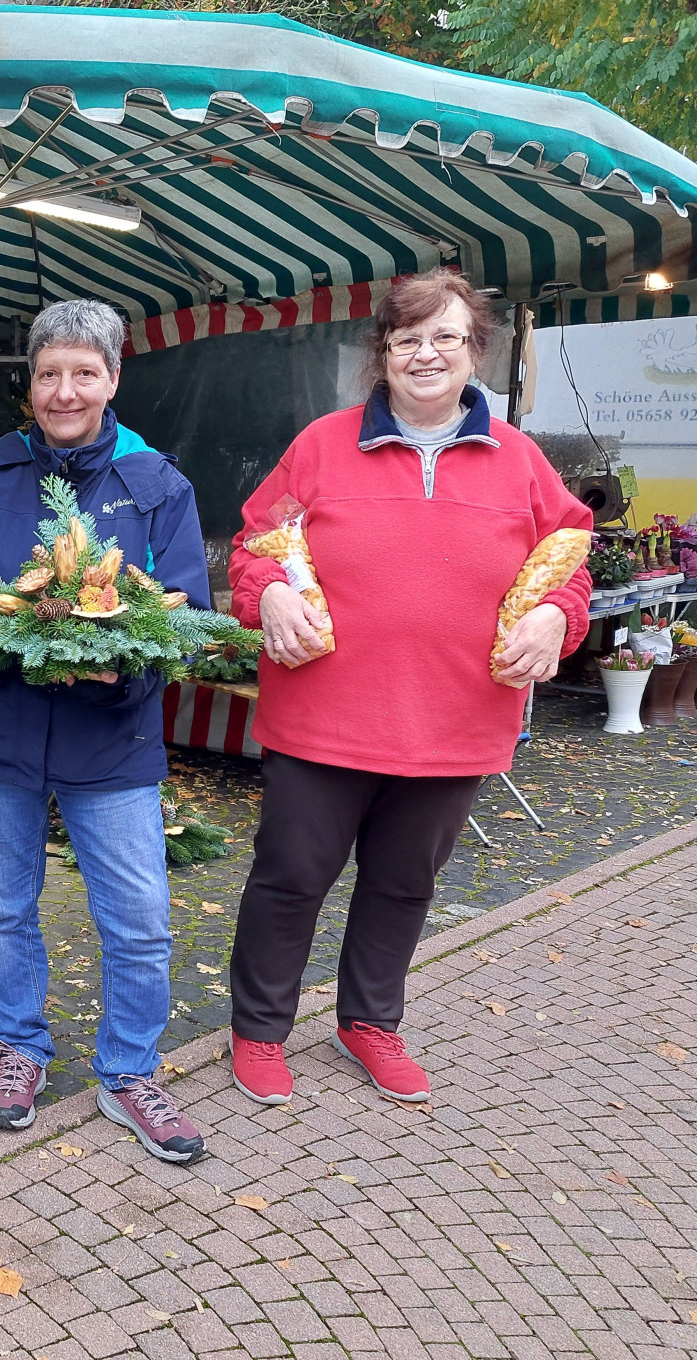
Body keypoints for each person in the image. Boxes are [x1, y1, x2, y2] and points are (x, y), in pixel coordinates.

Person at [226, 268, 592, 1107]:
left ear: (475, 351)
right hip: (324, 719)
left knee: (404, 883)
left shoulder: (522, 462)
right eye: (407, 338)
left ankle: (370, 1021)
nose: (425, 353)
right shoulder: (319, 445)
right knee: (291, 876)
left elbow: (570, 557)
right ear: (381, 353)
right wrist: (270, 592)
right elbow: (254, 545)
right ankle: (259, 1029)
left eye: (445, 337)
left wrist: (555, 622)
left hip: (455, 724)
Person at [0, 299, 210, 1163]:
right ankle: (20, 1049)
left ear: (113, 379)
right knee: (6, 909)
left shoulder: (157, 484)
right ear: (29, 384)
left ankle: (129, 1069)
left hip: (111, 738)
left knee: (141, 916)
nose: (65, 389)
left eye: (84, 371)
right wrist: (5, 645)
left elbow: (188, 610)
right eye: (48, 373)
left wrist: (129, 662)